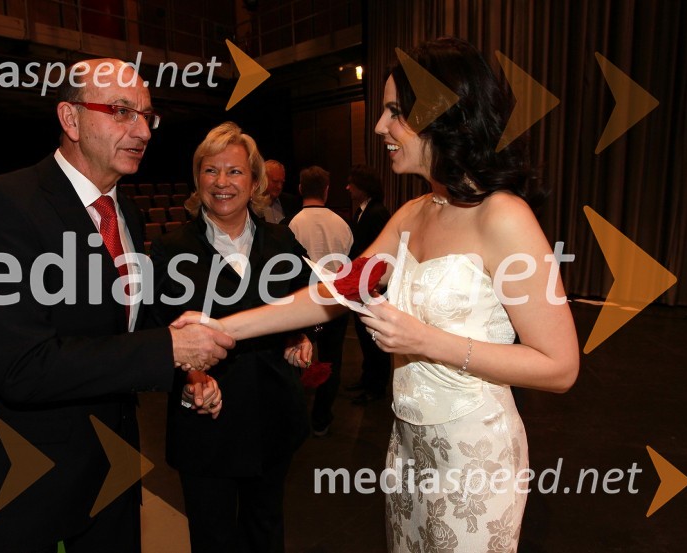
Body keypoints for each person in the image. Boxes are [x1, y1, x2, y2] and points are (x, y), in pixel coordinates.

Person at [175, 37, 579, 552]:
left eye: (394, 111)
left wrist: (427, 340)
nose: (379, 126)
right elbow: (330, 294)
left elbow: (560, 367)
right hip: (408, 448)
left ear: (441, 114)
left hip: (474, 458)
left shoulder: (503, 217)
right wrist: (219, 328)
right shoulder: (413, 215)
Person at [0, 58, 234, 552]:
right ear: (70, 119)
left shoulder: (127, 214)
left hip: (110, 473)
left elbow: (119, 330)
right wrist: (170, 351)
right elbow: (23, 366)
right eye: (121, 111)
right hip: (22, 480)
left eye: (147, 116)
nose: (142, 129)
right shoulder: (2, 204)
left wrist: (187, 370)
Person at [151, 122, 312, 553]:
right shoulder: (170, 248)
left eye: (235, 172)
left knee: (266, 529)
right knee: (213, 538)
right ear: (197, 177)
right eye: (210, 170)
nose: (222, 182)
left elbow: (311, 299)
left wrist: (300, 333)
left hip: (273, 417)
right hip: (206, 423)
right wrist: (191, 375)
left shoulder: (283, 240)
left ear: (256, 181)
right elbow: (159, 331)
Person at [288, 165, 353, 436]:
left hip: (304, 303)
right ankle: (321, 417)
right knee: (332, 359)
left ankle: (297, 417)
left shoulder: (293, 224)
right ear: (327, 190)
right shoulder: (342, 224)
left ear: (301, 189)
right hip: (336, 302)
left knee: (297, 357)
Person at [344, 164, 392, 405]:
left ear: (363, 186)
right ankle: (367, 378)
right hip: (362, 284)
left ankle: (376, 387)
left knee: (374, 338)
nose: (348, 188)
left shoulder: (377, 212)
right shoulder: (362, 211)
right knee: (364, 336)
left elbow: (380, 255)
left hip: (372, 286)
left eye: (352, 183)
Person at [262, 159, 301, 224]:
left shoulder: (291, 202)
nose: (279, 186)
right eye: (275, 181)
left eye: (282, 182)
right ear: (263, 179)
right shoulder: (251, 204)